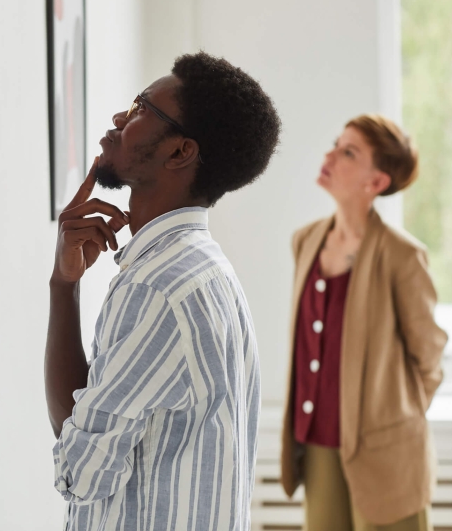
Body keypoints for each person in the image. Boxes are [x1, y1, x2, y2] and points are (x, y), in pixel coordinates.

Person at [45, 52, 281, 530]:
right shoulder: (205, 266)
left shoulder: (157, 287)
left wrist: (60, 289)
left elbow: (80, 472)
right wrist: (65, 285)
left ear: (180, 152)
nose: (119, 118)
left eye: (140, 109)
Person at [280, 114, 448, 531]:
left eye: (348, 152)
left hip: (385, 454)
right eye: (336, 144)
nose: (330, 155)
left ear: (376, 182)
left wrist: (392, 421)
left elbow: (428, 359)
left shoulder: (402, 256)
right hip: (318, 444)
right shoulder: (306, 241)